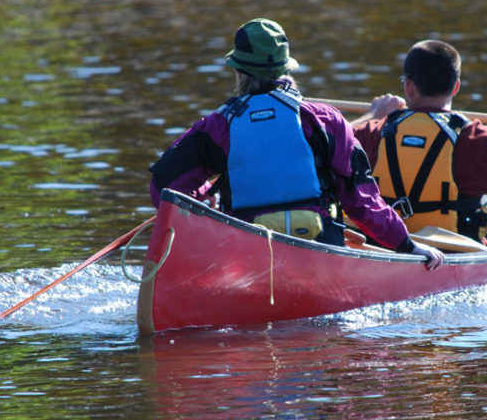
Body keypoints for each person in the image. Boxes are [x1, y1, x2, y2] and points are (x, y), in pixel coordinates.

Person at [148, 18, 443, 270]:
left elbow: (163, 185)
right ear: (286, 70)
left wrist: (202, 201)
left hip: (245, 257)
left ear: (238, 72)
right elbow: (361, 201)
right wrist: (407, 246)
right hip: (321, 252)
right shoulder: (326, 120)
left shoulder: (217, 126)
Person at [351, 39, 487, 248]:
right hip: (456, 253)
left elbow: (324, 143)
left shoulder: (372, 132)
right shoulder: (480, 140)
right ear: (456, 87)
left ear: (409, 86)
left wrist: (373, 115)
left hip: (384, 246)